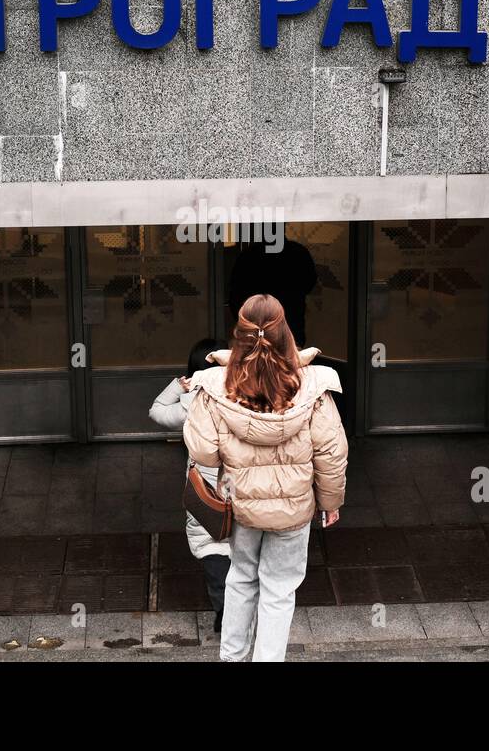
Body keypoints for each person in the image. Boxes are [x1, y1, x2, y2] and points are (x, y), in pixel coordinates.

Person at [183, 294, 348, 662]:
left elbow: (204, 453)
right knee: (279, 590)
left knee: (241, 578)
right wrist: (331, 503)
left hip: (241, 504)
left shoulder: (213, 386)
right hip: (294, 509)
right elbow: (331, 454)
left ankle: (232, 657)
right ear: (285, 333)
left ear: (238, 335)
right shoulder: (316, 387)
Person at [148, 337, 231, 631]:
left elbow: (156, 410)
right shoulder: (246, 398)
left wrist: (179, 387)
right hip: (244, 486)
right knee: (243, 549)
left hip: (204, 491)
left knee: (213, 547)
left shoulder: (189, 404)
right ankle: (242, 608)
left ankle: (224, 610)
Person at [227, 238, 317, 346]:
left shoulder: (250, 254)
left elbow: (236, 292)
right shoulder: (298, 252)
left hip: (257, 321)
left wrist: (244, 319)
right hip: (290, 319)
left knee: (254, 357)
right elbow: (309, 283)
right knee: (291, 355)